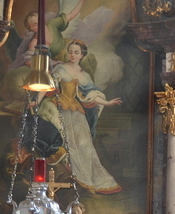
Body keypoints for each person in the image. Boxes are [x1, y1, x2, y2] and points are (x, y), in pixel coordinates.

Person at [36, 39, 123, 194]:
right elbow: (48, 85)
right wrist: (36, 102)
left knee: (85, 146)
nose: (72, 55)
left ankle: (94, 182)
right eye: (70, 52)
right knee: (71, 144)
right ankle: (81, 178)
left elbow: (92, 95)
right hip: (61, 109)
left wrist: (107, 103)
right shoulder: (61, 68)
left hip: (76, 111)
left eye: (76, 52)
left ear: (82, 55)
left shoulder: (85, 76)